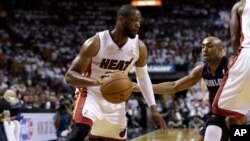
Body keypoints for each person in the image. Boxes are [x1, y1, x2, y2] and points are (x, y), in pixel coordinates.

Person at [64, 4, 167, 141]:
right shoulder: (96, 43)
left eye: (139, 21)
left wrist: (153, 109)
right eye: (134, 20)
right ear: (121, 20)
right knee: (79, 132)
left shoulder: (139, 47)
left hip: (116, 100)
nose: (138, 25)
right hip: (90, 95)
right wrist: (97, 82)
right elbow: (70, 76)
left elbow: (143, 78)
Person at [135, 36, 230, 141]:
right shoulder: (201, 70)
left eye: (210, 46)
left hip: (238, 114)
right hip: (217, 116)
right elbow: (174, 86)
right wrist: (143, 87)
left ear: (222, 50)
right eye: (203, 46)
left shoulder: (231, 65)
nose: (205, 49)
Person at [212, 0, 250, 121]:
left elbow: (234, 39)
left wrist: (236, 58)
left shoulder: (240, 5)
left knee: (221, 108)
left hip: (247, 55)